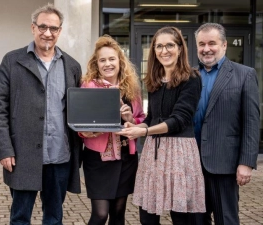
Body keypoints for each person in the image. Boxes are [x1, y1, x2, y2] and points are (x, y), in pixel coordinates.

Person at [0, 3, 82, 225]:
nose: (47, 33)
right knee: (20, 217)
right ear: (33, 28)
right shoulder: (12, 61)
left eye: (53, 28)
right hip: (22, 157)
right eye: (42, 27)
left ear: (60, 31)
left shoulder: (71, 66)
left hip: (60, 156)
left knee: (54, 217)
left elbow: (77, 111)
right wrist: (4, 149)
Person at [117, 26, 205, 224]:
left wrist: (145, 131)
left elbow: (179, 120)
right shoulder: (154, 80)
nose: (164, 51)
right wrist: (131, 122)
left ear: (180, 48)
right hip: (154, 152)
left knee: (181, 217)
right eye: (159, 46)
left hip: (180, 152)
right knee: (147, 216)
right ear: (154, 51)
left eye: (170, 45)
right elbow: (151, 118)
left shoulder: (192, 78)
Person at [193, 23, 260, 225]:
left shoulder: (244, 74)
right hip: (192, 164)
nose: (206, 49)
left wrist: (246, 162)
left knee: (227, 220)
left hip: (225, 163)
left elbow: (251, 121)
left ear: (224, 45)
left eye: (212, 43)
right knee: (195, 221)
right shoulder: (188, 75)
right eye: (202, 44)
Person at [78, 35, 145, 225]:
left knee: (118, 212)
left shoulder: (131, 88)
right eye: (102, 60)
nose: (108, 64)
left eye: (111, 59)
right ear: (96, 64)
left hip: (126, 157)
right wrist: (88, 132)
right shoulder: (89, 87)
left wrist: (130, 119)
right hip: (98, 158)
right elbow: (80, 123)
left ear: (119, 60)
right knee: (100, 214)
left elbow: (141, 119)